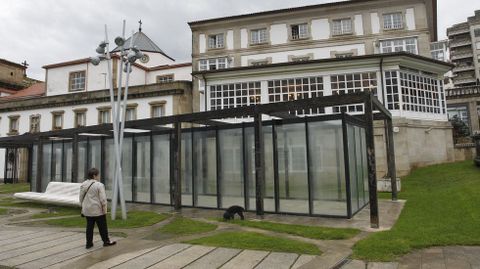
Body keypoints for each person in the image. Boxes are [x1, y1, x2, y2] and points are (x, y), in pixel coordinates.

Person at [79, 168, 116, 249]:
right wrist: (104, 209)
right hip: (97, 209)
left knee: (89, 227)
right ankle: (106, 241)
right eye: (98, 175)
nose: (99, 176)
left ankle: (89, 244)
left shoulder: (83, 184)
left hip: (87, 210)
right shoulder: (99, 185)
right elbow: (103, 199)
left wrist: (82, 206)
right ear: (94, 175)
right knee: (102, 226)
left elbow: (81, 198)